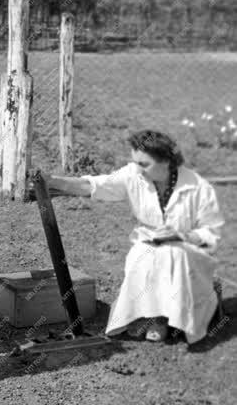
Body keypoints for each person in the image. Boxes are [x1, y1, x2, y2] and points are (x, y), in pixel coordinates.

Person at [46, 130, 224, 344]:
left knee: (171, 254)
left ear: (167, 161)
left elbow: (211, 234)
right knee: (142, 255)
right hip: (149, 239)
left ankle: (171, 318)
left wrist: (182, 235)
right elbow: (92, 185)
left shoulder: (196, 187)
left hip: (190, 248)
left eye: (145, 164)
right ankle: (150, 316)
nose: (138, 169)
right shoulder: (134, 174)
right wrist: (53, 181)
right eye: (136, 162)